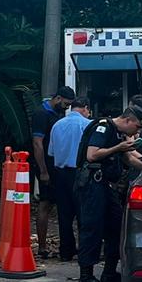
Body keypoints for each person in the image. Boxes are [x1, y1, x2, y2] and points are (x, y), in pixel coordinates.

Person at [73, 105, 142, 282]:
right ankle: (86, 277)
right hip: (92, 184)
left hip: (105, 186)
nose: (137, 132)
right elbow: (91, 155)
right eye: (137, 127)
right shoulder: (104, 127)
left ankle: (109, 272)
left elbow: (129, 159)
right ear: (128, 120)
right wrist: (118, 147)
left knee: (117, 226)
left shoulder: (117, 134)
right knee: (92, 227)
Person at [30, 85, 74, 259]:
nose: (67, 107)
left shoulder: (58, 114)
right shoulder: (41, 113)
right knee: (45, 203)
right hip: (46, 165)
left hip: (58, 165)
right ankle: (41, 247)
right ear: (57, 98)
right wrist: (43, 171)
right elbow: (37, 143)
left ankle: (66, 246)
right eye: (65, 104)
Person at [47, 97, 92, 261]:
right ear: (85, 108)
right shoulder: (86, 125)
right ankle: (85, 251)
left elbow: (51, 152)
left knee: (64, 215)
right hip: (79, 173)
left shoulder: (57, 125)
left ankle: (66, 250)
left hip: (60, 173)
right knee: (83, 214)